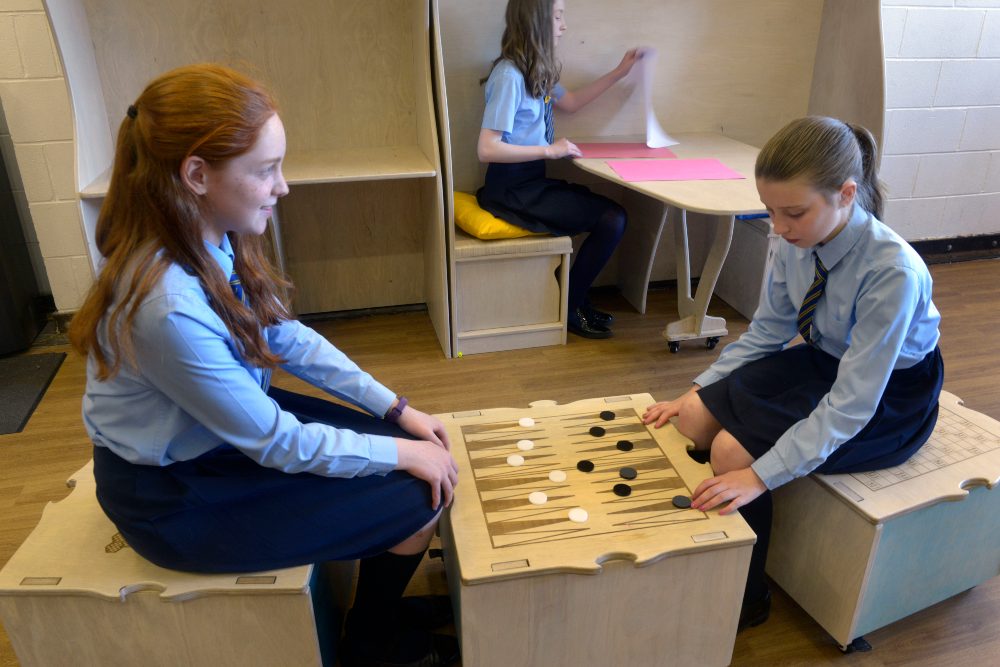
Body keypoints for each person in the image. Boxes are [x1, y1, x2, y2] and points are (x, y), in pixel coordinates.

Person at [69, 64, 460, 667]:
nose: (283, 187)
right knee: (419, 494)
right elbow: (276, 442)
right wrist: (407, 453)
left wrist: (397, 409)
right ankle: (369, 645)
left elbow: (289, 339)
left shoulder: (207, 235)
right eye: (265, 170)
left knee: (402, 451)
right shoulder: (165, 305)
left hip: (212, 440)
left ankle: (377, 611)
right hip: (171, 494)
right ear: (196, 174)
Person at [642, 116, 944, 630]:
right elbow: (767, 333)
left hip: (892, 394)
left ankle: (747, 596)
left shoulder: (892, 271)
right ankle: (710, 525)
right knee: (691, 418)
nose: (778, 228)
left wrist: (760, 475)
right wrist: (698, 388)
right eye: (770, 211)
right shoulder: (795, 239)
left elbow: (852, 401)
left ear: (847, 194)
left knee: (731, 452)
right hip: (825, 359)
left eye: (794, 213)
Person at [476, 0, 640, 339]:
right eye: (558, 16)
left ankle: (574, 296)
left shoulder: (534, 69)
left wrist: (619, 72)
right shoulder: (509, 75)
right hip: (510, 190)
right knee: (612, 218)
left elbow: (573, 103)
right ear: (535, 21)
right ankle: (571, 305)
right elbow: (486, 148)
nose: (564, 25)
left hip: (531, 180)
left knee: (609, 212)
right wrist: (550, 149)